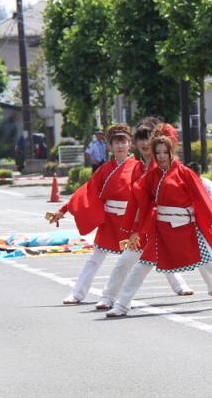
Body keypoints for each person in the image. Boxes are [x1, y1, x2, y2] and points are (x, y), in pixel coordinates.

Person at [107, 134, 212, 317]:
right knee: (140, 267)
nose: (162, 156)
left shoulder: (185, 173)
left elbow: (202, 199)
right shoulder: (151, 177)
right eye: (158, 152)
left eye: (165, 152)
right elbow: (141, 204)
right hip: (161, 231)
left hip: (188, 229)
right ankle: (122, 305)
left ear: (172, 152)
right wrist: (135, 231)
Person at [88, 120, 196, 307]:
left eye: (148, 139)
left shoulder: (163, 164)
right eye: (140, 139)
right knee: (128, 262)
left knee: (202, 254)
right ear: (135, 143)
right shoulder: (137, 167)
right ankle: (109, 297)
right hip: (144, 224)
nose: (145, 143)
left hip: (163, 221)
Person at [50, 124, 146, 305]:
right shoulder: (104, 170)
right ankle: (77, 294)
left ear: (130, 144)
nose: (120, 146)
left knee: (148, 256)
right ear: (109, 146)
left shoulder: (140, 167)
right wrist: (63, 210)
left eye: (123, 141)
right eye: (115, 142)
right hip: (109, 221)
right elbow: (86, 193)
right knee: (95, 259)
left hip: (130, 221)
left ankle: (178, 285)